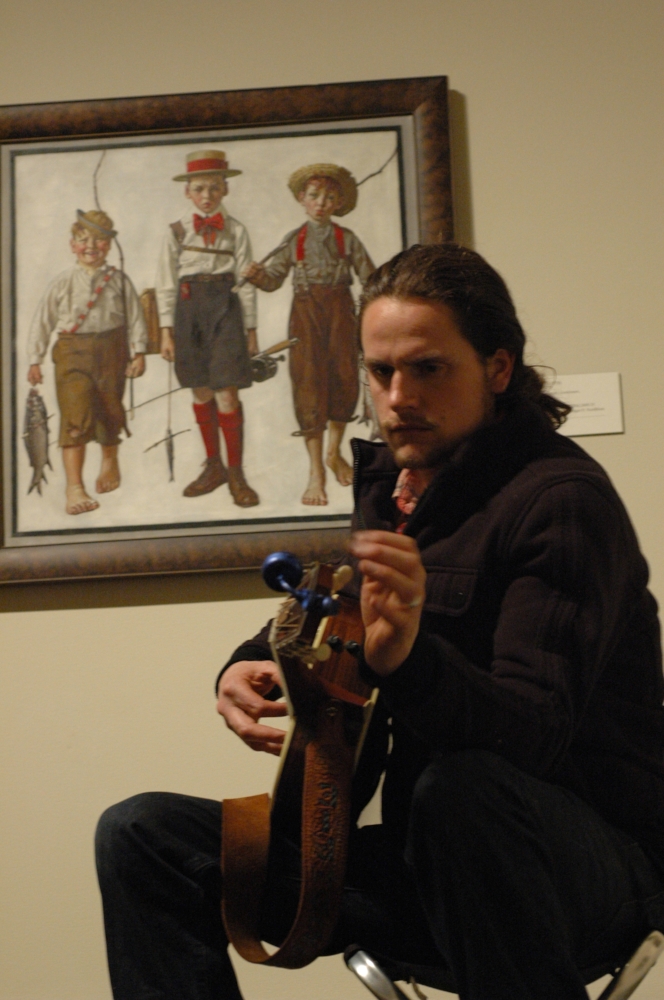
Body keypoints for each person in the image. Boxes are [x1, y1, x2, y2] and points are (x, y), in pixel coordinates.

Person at [96, 243, 664, 1000]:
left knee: (459, 789)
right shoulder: (396, 488)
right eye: (380, 371)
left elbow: (534, 736)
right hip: (426, 864)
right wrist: (246, 661)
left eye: (428, 369)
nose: (398, 397)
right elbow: (340, 604)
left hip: (584, 878)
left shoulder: (560, 500)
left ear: (497, 369)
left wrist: (408, 661)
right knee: (142, 836)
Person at [243, 163, 374, 506]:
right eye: (314, 196)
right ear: (302, 198)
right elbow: (272, 281)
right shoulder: (293, 240)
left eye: (329, 198)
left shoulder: (348, 239)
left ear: (338, 203)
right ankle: (316, 471)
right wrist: (257, 275)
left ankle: (334, 453)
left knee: (344, 378)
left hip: (341, 313)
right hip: (305, 316)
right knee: (308, 384)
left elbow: (371, 279)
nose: (320, 203)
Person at [156, 149, 259, 507]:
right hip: (188, 313)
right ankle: (214, 466)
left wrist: (251, 330)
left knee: (227, 393)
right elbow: (165, 284)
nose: (207, 195)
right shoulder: (176, 231)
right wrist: (166, 331)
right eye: (199, 188)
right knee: (200, 390)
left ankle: (236, 472)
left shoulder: (237, 231)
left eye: (214, 187)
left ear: (225, 189)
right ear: (187, 191)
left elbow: (247, 284)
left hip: (226, 310)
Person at [27, 209, 147, 515]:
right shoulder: (63, 282)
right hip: (72, 354)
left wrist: (139, 353)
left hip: (113, 350)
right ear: (72, 245)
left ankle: (110, 461)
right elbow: (42, 321)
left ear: (109, 245)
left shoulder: (119, 280)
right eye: (83, 240)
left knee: (110, 410)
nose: (90, 246)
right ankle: (74, 487)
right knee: (75, 417)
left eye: (99, 240)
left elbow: (136, 317)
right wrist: (34, 359)